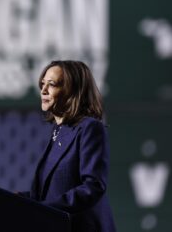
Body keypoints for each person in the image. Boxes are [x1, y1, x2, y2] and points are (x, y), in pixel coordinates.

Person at [24, 60, 116, 232]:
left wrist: (45, 209)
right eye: (42, 84)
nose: (43, 90)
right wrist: (17, 199)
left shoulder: (90, 128)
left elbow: (93, 186)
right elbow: (53, 193)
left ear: (72, 91)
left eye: (52, 85)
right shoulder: (58, 131)